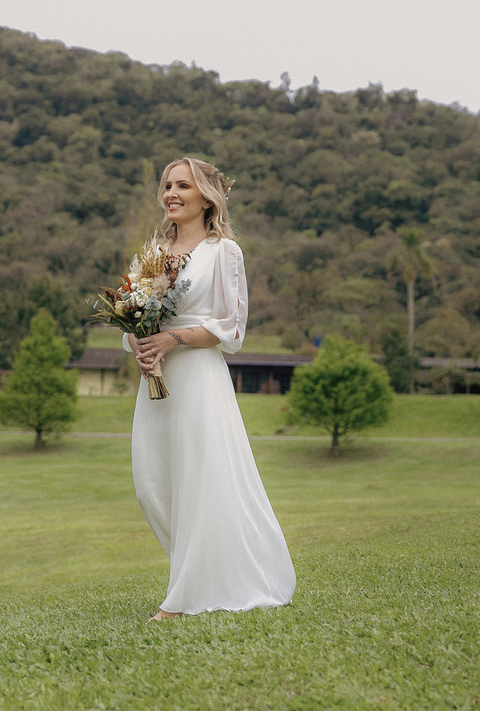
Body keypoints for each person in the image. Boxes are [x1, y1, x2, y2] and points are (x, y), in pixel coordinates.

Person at [125, 156, 296, 622]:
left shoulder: (225, 252)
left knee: (200, 481)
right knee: (152, 484)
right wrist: (139, 344)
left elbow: (232, 330)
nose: (171, 194)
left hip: (199, 376)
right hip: (157, 382)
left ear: (207, 196)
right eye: (166, 186)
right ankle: (203, 573)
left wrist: (173, 337)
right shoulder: (152, 252)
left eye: (183, 185)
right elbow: (133, 318)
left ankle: (182, 599)